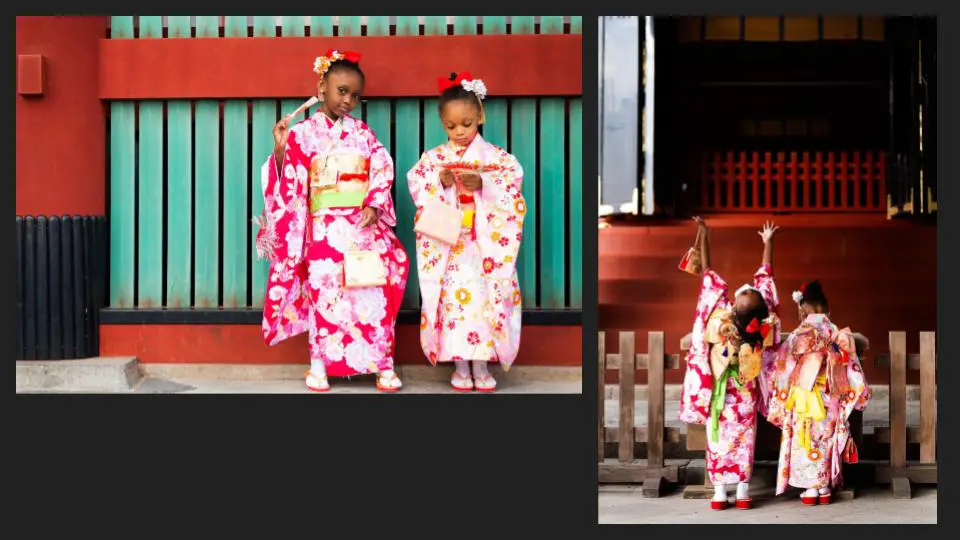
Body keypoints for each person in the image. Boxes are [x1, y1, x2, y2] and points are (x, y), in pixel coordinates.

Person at [255, 49, 408, 392]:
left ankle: (382, 364)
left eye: (356, 95)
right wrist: (281, 149)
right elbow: (288, 179)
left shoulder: (363, 134)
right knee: (324, 293)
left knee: (371, 292)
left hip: (360, 226)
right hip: (323, 230)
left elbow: (381, 167)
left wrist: (373, 202)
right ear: (321, 86)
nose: (349, 101)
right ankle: (319, 364)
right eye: (342, 91)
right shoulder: (303, 132)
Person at [406, 72, 525, 392]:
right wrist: (437, 184)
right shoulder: (433, 159)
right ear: (442, 123)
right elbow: (418, 185)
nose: (459, 132)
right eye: (451, 126)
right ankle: (460, 366)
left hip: (484, 246)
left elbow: (512, 189)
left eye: (467, 124)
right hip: (451, 247)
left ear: (480, 117)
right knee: (454, 306)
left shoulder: (499, 159)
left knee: (486, 301)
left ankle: (483, 366)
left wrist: (484, 185)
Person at [678, 218, 781, 509]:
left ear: (734, 307)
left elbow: (708, 276)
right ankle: (744, 491)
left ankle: (720, 491)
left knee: (718, 439)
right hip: (744, 394)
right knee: (745, 439)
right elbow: (766, 282)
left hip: (719, 395)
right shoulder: (763, 330)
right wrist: (768, 243)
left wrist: (704, 235)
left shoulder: (718, 323)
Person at [764, 280, 870, 504]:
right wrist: (857, 394)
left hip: (804, 394)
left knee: (806, 437)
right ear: (827, 309)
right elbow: (851, 367)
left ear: (803, 308)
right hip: (830, 394)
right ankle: (824, 487)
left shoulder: (799, 333)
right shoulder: (836, 332)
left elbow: (781, 366)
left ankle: (811, 489)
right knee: (825, 436)